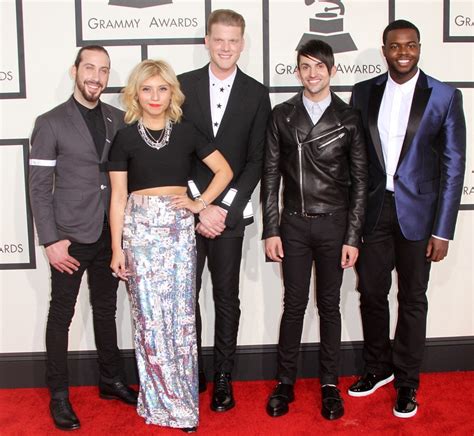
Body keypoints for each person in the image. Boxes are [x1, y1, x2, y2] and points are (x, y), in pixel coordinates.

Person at [348, 20, 466, 418]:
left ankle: (407, 382)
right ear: (384, 50)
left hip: (420, 216)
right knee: (371, 294)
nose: (403, 52)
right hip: (374, 211)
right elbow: (356, 158)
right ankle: (377, 368)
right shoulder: (363, 92)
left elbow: (454, 167)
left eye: (411, 45)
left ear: (419, 48)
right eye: (396, 46)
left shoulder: (445, 96)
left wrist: (443, 230)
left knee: (413, 300)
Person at [108, 59, 232, 432]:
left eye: (162, 88)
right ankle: (157, 400)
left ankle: (181, 401)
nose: (155, 96)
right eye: (147, 89)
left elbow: (224, 171)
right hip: (139, 231)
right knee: (148, 321)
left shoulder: (187, 131)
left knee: (180, 320)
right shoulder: (125, 137)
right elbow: (117, 199)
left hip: (178, 231)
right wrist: (117, 249)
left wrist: (200, 204)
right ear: (136, 94)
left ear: (172, 93)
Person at [29, 45, 138, 432]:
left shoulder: (119, 119)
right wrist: (50, 240)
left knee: (107, 310)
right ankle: (59, 394)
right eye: (89, 68)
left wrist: (123, 237)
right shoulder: (50, 122)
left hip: (110, 235)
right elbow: (39, 188)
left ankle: (110, 380)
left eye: (103, 70)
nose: (96, 76)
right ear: (75, 71)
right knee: (62, 315)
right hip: (70, 238)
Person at [261, 39, 367, 421]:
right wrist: (270, 229)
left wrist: (352, 236)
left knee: (330, 306)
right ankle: (284, 383)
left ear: (333, 70)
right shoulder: (282, 115)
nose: (313, 73)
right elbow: (270, 176)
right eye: (305, 66)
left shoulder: (349, 117)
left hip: (334, 225)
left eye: (320, 66)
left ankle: (328, 385)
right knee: (293, 305)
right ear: (297, 72)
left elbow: (359, 181)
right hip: (292, 225)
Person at [178, 9, 271, 411]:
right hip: (186, 210)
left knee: (227, 298)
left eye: (233, 40)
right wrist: (200, 206)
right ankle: (193, 368)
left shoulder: (256, 92)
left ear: (243, 43)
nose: (226, 47)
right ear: (207, 41)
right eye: (219, 39)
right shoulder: (181, 87)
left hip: (231, 217)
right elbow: (176, 152)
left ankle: (223, 376)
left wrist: (222, 209)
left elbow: (256, 160)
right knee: (187, 296)